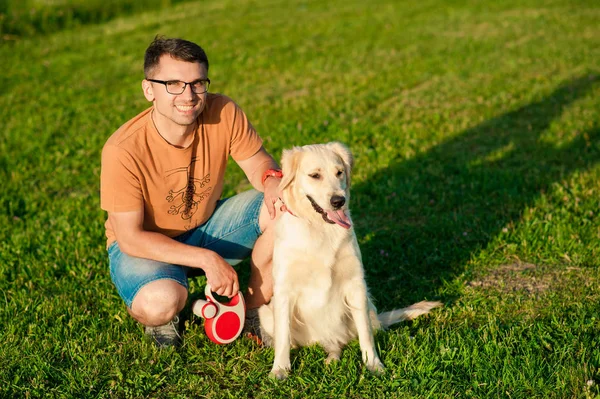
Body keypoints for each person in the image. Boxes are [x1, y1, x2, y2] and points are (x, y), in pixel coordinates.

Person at [100, 36, 283, 347]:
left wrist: (272, 181)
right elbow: (130, 237)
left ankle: (253, 306)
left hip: (206, 226)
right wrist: (207, 259)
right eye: (173, 83)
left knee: (285, 210)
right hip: (144, 246)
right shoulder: (122, 149)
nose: (188, 94)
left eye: (198, 83)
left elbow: (258, 162)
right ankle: (167, 304)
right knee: (161, 301)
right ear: (149, 90)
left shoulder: (223, 111)